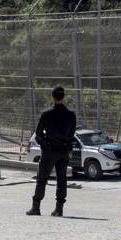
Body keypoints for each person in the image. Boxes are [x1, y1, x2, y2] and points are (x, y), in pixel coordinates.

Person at [26, 86, 76, 217]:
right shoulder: (71, 115)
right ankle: (59, 209)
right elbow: (71, 135)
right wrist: (67, 148)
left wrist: (44, 145)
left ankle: (36, 208)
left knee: (42, 179)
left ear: (53, 97)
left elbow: (38, 134)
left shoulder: (46, 114)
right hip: (63, 151)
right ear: (63, 97)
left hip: (50, 151)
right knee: (62, 180)